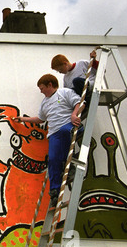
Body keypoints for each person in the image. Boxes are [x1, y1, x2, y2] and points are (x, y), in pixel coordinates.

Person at [15, 74, 83, 205]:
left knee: (64, 132)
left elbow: (80, 103)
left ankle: (68, 164)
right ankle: (54, 191)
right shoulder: (45, 103)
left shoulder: (64, 92)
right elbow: (40, 119)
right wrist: (23, 119)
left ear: (50, 85)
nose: (41, 91)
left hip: (68, 126)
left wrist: (74, 115)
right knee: (52, 159)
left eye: (42, 88)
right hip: (53, 133)